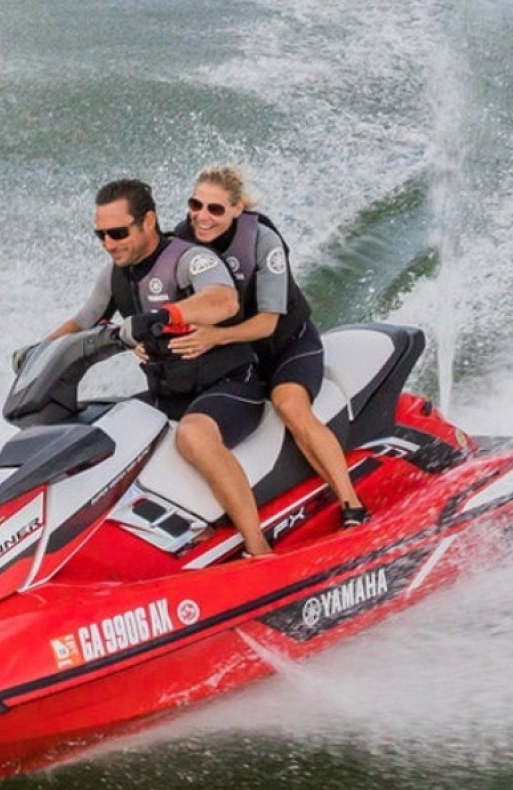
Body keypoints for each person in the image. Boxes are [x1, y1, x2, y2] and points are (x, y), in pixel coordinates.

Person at [42, 178, 274, 556]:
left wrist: (163, 317)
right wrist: (39, 351)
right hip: (169, 393)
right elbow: (82, 322)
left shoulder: (188, 259)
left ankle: (258, 548)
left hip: (230, 385)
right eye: (100, 235)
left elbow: (223, 301)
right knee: (97, 432)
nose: (108, 244)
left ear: (148, 221)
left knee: (193, 436)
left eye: (118, 233)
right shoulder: (114, 275)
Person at [171, 165, 366, 527]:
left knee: (289, 406)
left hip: (286, 347)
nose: (202, 216)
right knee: (189, 427)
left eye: (215, 209)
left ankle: (352, 503)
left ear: (237, 209)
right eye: (195, 205)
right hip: (238, 362)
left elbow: (268, 323)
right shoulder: (182, 243)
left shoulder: (262, 241)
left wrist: (215, 337)